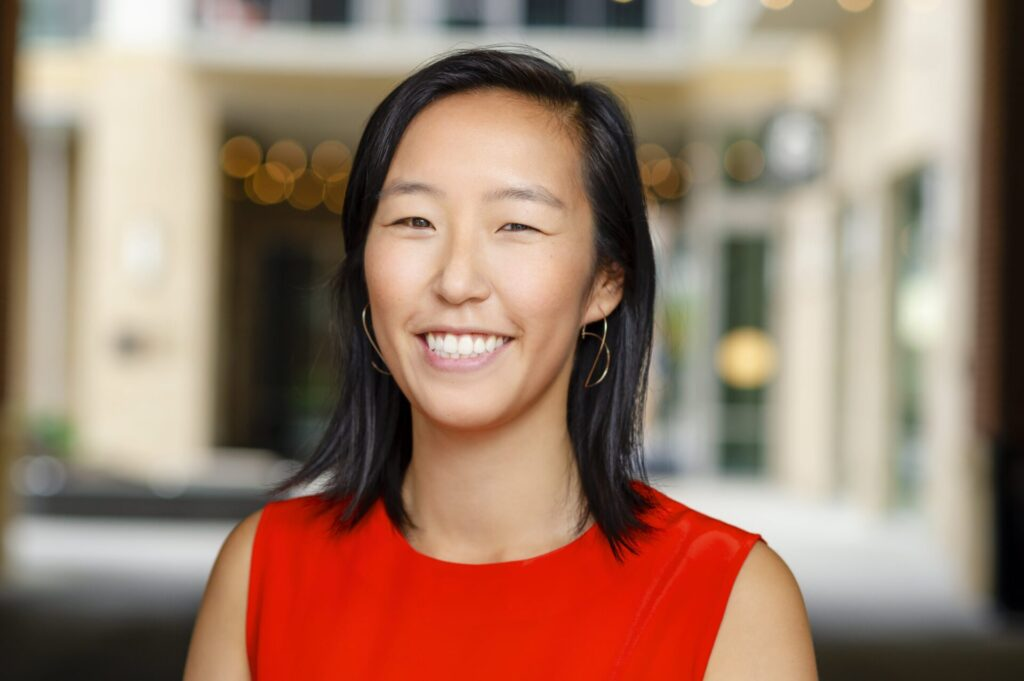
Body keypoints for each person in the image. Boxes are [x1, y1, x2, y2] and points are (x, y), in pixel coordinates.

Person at [183, 44, 818, 680]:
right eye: (414, 220)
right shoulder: (262, 571)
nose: (457, 281)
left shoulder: (729, 599)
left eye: (516, 226)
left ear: (605, 279)